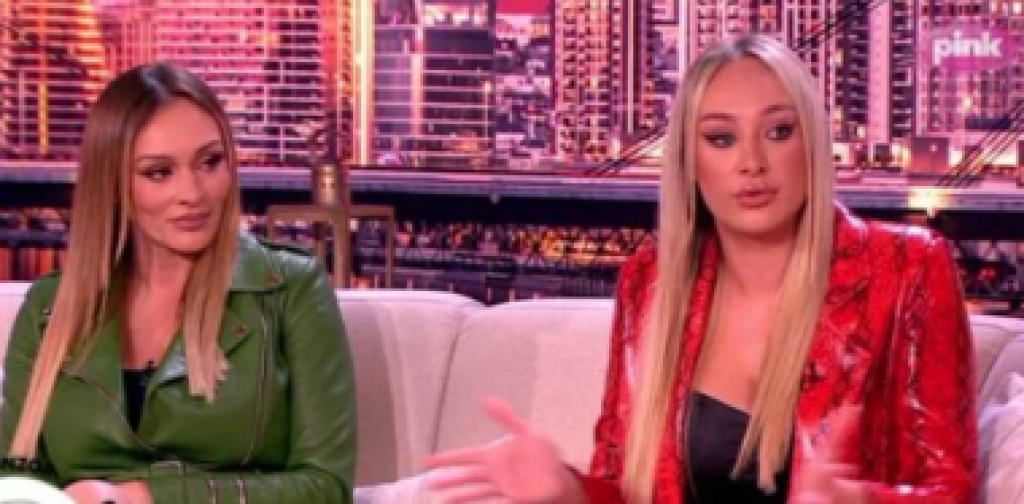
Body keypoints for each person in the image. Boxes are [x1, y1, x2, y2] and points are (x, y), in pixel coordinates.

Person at [426, 34, 977, 503]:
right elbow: (627, 488)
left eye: (779, 132)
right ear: (690, 162)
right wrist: (568, 490)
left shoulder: (907, 268)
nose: (752, 163)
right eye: (721, 138)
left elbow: (949, 491)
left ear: (812, 143)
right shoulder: (650, 282)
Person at [0, 63, 357, 503]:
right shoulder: (49, 309)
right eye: (159, 172)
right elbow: (16, 478)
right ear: (113, 183)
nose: (193, 193)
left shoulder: (290, 289)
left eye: (210, 162)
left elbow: (325, 487)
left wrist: (145, 497)